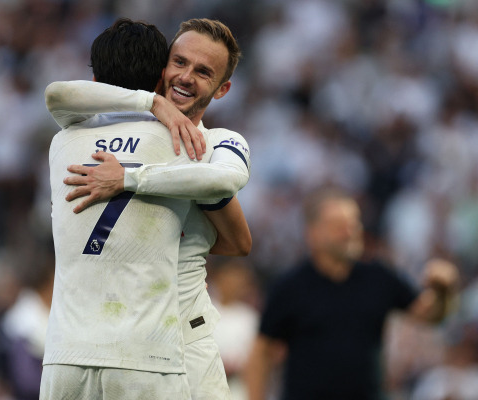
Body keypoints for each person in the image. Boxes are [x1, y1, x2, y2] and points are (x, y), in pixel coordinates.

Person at [45, 18, 251, 399]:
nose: (186, 77)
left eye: (203, 71)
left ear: (222, 89)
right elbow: (237, 242)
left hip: (181, 340)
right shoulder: (191, 150)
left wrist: (129, 180)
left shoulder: (209, 145)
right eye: (180, 62)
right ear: (161, 69)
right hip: (143, 350)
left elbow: (240, 241)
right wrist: (153, 104)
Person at [244, 187, 459, 400]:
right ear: (313, 233)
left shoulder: (378, 277)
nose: (350, 232)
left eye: (354, 224)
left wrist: (443, 291)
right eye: (338, 226)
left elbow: (428, 315)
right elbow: (261, 353)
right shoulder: (290, 287)